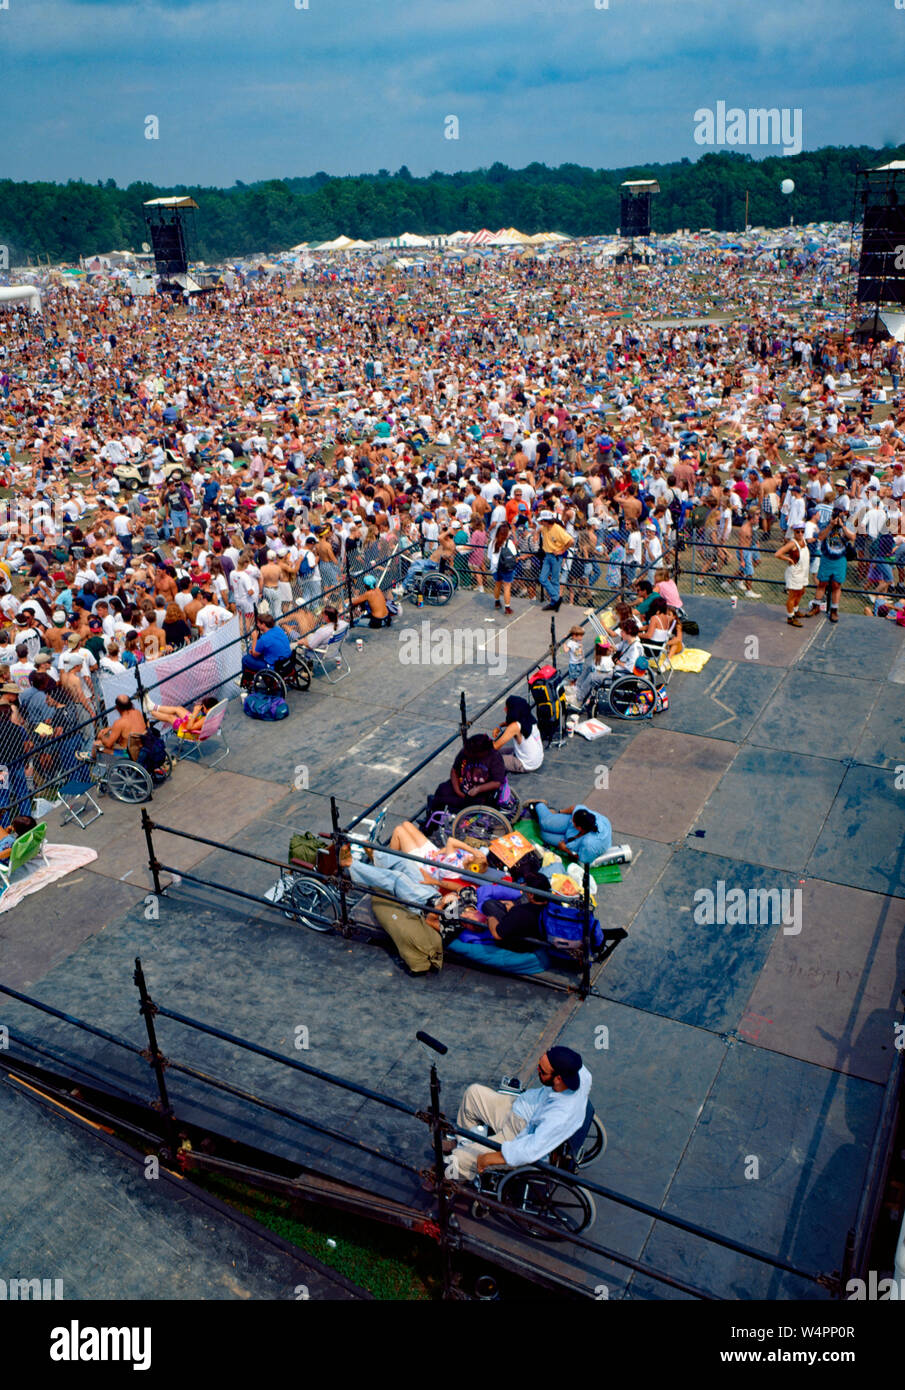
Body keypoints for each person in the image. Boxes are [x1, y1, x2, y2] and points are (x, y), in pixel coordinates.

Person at [449, 1047, 592, 1181]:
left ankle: (455, 1176)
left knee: (458, 1159)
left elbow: (530, 1150)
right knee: (473, 1094)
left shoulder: (560, 1117)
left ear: (559, 1078)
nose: (538, 1071)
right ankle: (464, 1142)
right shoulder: (578, 1072)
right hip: (517, 1110)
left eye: (542, 1071)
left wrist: (487, 1158)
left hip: (517, 1136)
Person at [427, 733, 506, 816]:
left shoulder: (494, 757)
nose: (466, 753)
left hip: (480, 795)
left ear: (481, 753)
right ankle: (434, 816)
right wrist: (458, 791)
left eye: (470, 752)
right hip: (463, 786)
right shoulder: (466, 751)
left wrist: (478, 789)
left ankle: (433, 818)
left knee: (441, 801)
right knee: (442, 789)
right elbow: (454, 771)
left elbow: (497, 782)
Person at [804, 500, 856, 624]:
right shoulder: (826, 523)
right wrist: (831, 525)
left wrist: (842, 526)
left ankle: (834, 610)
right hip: (827, 557)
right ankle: (816, 606)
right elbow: (820, 537)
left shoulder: (847, 525)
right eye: (835, 512)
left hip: (840, 559)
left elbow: (852, 537)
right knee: (822, 582)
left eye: (840, 512)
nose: (837, 514)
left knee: (836, 585)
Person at [527, 801, 612, 864]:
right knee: (544, 823)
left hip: (572, 843)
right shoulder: (587, 816)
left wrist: (565, 849)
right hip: (571, 829)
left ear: (579, 828)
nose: (571, 820)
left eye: (573, 821)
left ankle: (541, 813)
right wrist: (559, 812)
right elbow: (573, 809)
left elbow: (582, 859)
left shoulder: (589, 845)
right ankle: (538, 804)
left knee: (544, 835)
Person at [492, 695, 544, 774]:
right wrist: (499, 726)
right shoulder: (528, 718)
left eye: (507, 708)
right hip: (537, 760)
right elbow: (508, 723)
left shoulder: (514, 726)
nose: (504, 709)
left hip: (526, 764)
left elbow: (495, 746)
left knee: (490, 758)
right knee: (498, 752)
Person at [775, 521, 810, 627]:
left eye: (802, 531)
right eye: (797, 531)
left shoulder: (803, 540)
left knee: (801, 591)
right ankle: (790, 617)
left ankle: (795, 610)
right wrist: (788, 559)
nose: (800, 534)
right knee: (792, 595)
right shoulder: (792, 543)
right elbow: (777, 554)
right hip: (795, 573)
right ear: (794, 532)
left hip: (803, 571)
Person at [146, 694, 218, 736]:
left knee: (170, 717)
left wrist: (195, 712)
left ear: (208, 709)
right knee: (178, 709)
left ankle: (149, 710)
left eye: (203, 706)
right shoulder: (214, 714)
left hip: (188, 730)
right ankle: (152, 706)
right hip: (195, 722)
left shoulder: (205, 719)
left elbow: (189, 727)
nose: (202, 708)